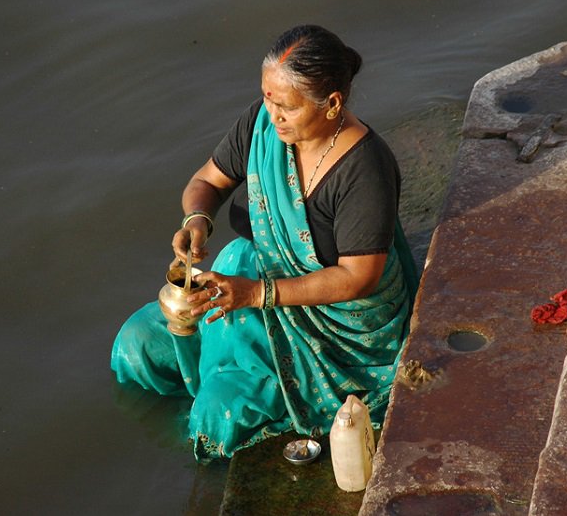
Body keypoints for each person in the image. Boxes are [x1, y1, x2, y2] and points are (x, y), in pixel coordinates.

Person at [111, 25, 419, 462]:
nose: (273, 117)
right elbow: (207, 181)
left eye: (287, 107)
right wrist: (197, 220)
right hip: (251, 277)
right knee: (137, 344)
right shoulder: (263, 123)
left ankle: (210, 409)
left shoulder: (364, 170)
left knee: (215, 416)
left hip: (333, 326)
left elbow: (358, 278)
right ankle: (210, 373)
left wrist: (256, 295)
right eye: (268, 99)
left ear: (332, 104)